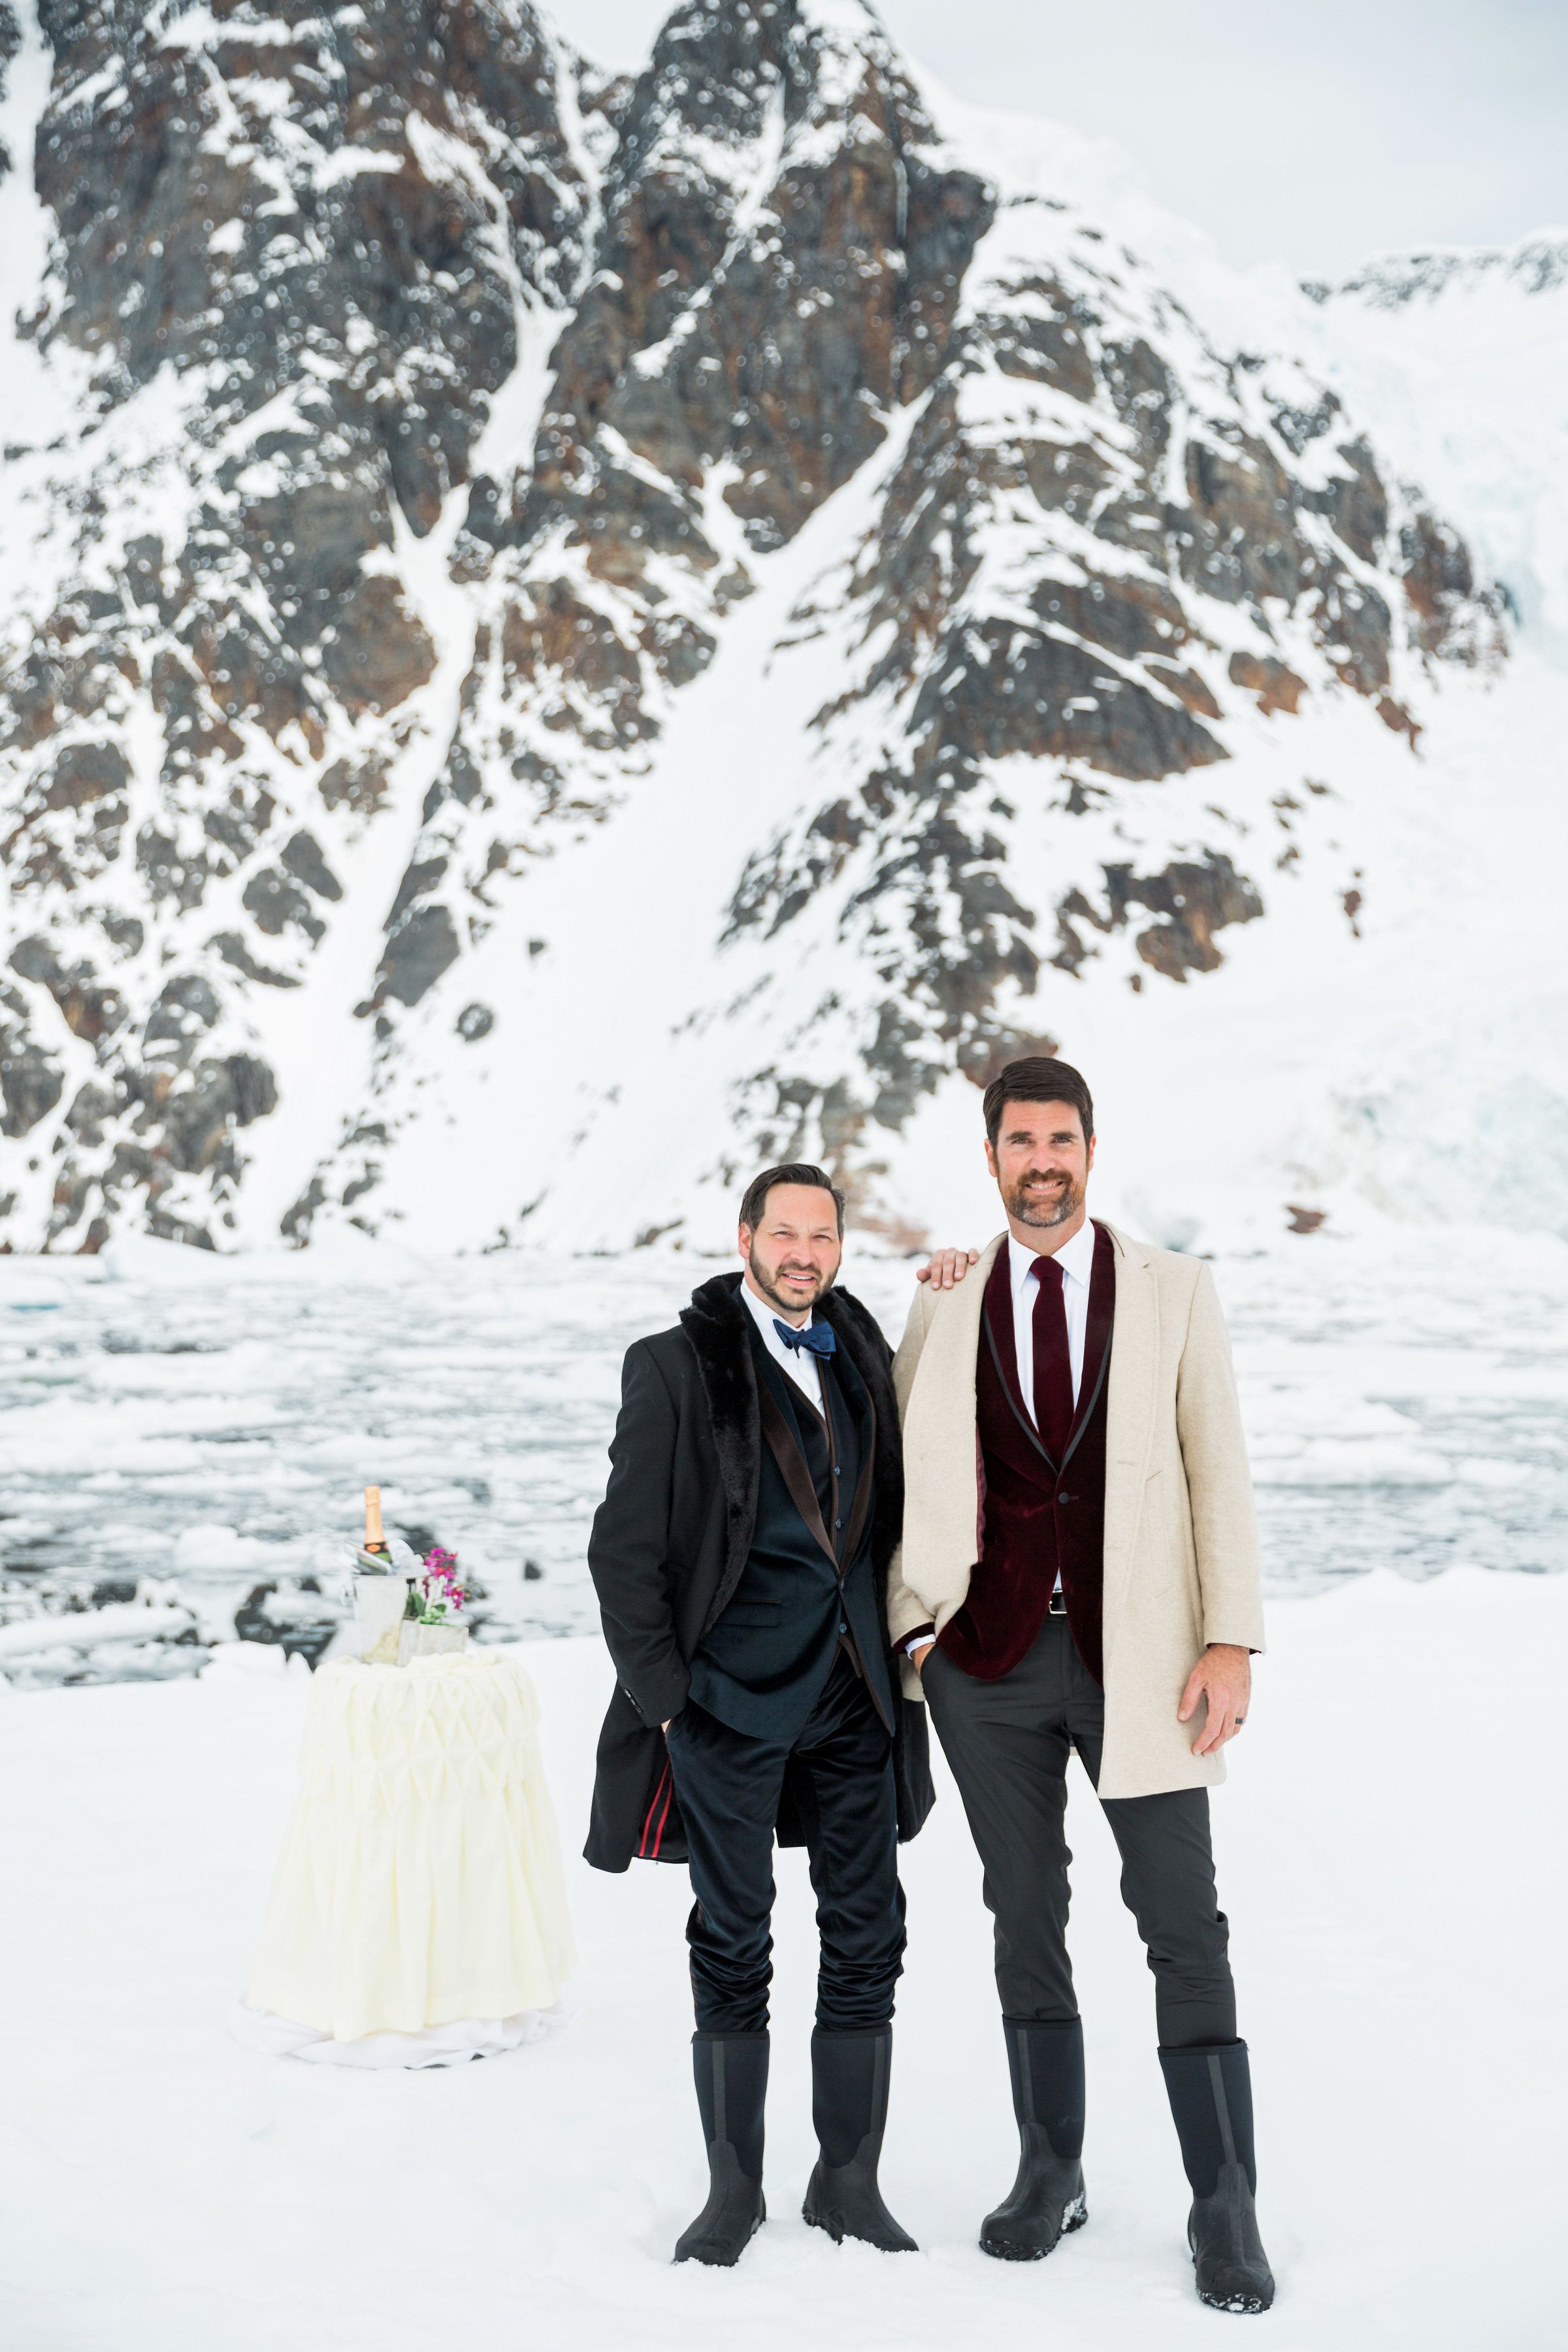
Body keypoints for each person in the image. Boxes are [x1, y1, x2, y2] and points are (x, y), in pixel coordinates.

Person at [889, 1057, 1275, 2314]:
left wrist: (1231, 1639)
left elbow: (1217, 1469)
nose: (1040, 1161)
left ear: (1091, 1152)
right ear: (990, 1158)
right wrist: (918, 1639)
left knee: (1184, 1923)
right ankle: (1050, 2166)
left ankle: (1224, 2201)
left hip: (1146, 1659)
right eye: (1019, 1141)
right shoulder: (945, 1299)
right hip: (987, 1665)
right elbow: (904, 1469)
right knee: (1025, 1916)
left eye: (1061, 1140)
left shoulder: (1175, 1289)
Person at [585, 1166, 972, 2266]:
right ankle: (734, 2191)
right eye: (784, 1233)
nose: (804, 1252)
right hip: (725, 1706)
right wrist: (669, 1706)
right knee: (733, 1935)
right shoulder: (670, 1368)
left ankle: (847, 2181)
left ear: (840, 1247)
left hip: (854, 1697)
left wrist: (954, 1285)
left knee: (868, 1930)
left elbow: (935, 1446)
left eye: (823, 1235)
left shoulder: (866, 1358)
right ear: (746, 1237)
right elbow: (623, 1554)